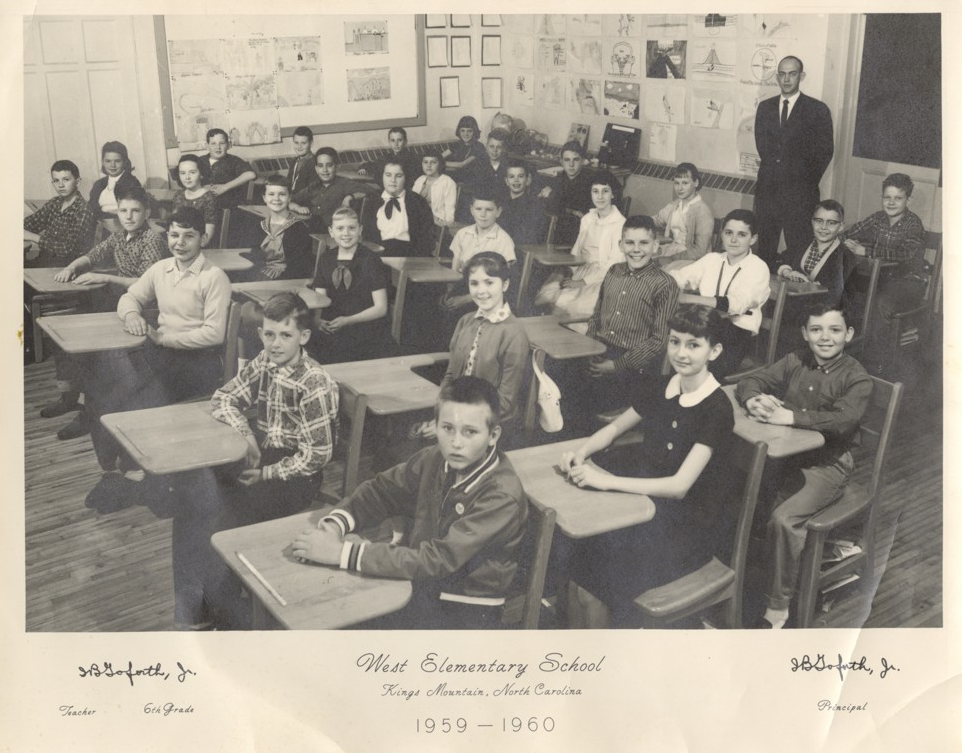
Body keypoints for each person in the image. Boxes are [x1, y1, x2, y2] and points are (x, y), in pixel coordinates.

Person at [291, 375, 529, 630]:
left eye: (470, 432)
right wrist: (335, 525)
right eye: (447, 428)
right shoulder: (436, 457)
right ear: (435, 425)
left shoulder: (502, 496)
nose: (456, 443)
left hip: (465, 606)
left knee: (345, 627)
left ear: (493, 436)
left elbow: (438, 559)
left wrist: (340, 552)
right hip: (420, 582)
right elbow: (382, 490)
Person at [561, 304, 736, 627]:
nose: (681, 353)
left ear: (715, 351)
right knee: (577, 568)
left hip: (684, 528)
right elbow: (615, 428)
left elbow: (679, 487)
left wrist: (605, 481)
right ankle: (582, 663)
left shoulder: (717, 408)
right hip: (643, 507)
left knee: (592, 584)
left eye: (693, 345)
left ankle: (598, 665)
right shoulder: (661, 387)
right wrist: (582, 451)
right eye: (674, 342)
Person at [204, 292, 339, 628]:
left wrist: (265, 474)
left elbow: (317, 456)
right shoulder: (264, 360)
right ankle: (226, 591)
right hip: (263, 450)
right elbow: (224, 398)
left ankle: (229, 609)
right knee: (208, 491)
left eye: (285, 335)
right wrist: (246, 434)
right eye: (268, 334)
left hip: (297, 473)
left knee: (233, 516)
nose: (275, 344)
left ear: (304, 336)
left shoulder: (315, 383)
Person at [735, 301, 872, 629]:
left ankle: (778, 608)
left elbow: (844, 420)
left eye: (835, 330)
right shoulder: (795, 359)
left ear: (848, 334)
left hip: (829, 466)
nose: (825, 338)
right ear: (805, 334)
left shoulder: (857, 378)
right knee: (737, 493)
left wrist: (790, 416)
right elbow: (752, 380)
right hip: (787, 458)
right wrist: (753, 398)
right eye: (816, 330)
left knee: (783, 521)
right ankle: (743, 581)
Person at [85, 206, 231, 472]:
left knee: (135, 395)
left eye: (189, 236)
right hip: (163, 353)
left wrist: (164, 339)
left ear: (203, 239)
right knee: (98, 391)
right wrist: (131, 316)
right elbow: (130, 297)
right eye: (175, 235)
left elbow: (214, 333)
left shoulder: (214, 277)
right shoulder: (161, 268)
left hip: (199, 361)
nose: (180, 243)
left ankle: (137, 470)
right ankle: (110, 469)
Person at [43, 184, 169, 439]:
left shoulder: (153, 239)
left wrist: (107, 279)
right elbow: (92, 255)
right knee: (65, 337)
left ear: (146, 214)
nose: (129, 216)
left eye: (135, 211)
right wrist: (72, 267)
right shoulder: (119, 236)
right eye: (124, 210)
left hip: (145, 309)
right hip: (121, 303)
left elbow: (147, 284)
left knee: (95, 353)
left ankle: (91, 414)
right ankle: (69, 396)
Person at [561, 215, 679, 432]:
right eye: (630, 243)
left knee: (593, 405)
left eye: (644, 243)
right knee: (561, 386)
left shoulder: (665, 284)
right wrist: (590, 349)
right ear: (621, 245)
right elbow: (597, 316)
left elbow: (659, 340)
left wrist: (616, 365)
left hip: (634, 364)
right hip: (600, 350)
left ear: (655, 246)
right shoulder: (614, 271)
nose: (636, 249)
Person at [439, 252, 530, 448]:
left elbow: (505, 403)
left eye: (489, 283)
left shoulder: (514, 333)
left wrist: (458, 425)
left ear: (505, 285)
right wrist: (442, 416)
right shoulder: (465, 321)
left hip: (494, 429)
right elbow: (450, 376)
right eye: (474, 283)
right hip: (459, 419)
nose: (481, 291)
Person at [670, 209, 772, 378]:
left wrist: (689, 298)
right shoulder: (712, 259)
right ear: (722, 234)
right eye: (728, 232)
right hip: (705, 325)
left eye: (741, 235)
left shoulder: (758, 267)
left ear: (753, 238)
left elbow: (737, 303)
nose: (733, 240)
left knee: (696, 368)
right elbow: (679, 277)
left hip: (735, 334)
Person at [753, 56, 835, 266]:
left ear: (801, 76)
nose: (787, 79)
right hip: (768, 192)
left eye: (792, 74)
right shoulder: (765, 108)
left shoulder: (817, 110)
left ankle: (794, 299)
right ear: (777, 77)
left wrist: (801, 182)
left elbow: (824, 153)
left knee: (800, 250)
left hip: (800, 195)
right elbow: (763, 148)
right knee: (765, 250)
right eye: (782, 74)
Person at [534, 170, 625, 328]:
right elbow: (577, 250)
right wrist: (568, 270)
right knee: (547, 294)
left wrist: (583, 282)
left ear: (613, 194)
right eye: (595, 191)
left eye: (605, 191)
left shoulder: (620, 224)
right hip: (581, 268)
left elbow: (614, 264)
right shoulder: (588, 219)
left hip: (603, 277)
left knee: (575, 306)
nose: (600, 197)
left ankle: (567, 343)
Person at [308, 207, 395, 363]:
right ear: (331, 231)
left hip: (362, 326)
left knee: (343, 350)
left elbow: (381, 308)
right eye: (340, 228)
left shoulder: (370, 260)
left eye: (351, 228)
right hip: (332, 323)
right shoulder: (326, 258)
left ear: (360, 230)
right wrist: (318, 320)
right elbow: (319, 298)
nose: (346, 233)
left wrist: (348, 320)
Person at [776, 200, 851, 351]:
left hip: (824, 313)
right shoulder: (803, 244)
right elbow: (781, 259)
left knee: (789, 330)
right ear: (812, 222)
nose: (823, 227)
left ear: (841, 226)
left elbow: (836, 296)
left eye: (831, 223)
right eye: (819, 221)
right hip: (793, 307)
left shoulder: (845, 256)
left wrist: (810, 286)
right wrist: (787, 271)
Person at [441, 188, 517, 319]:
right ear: (471, 210)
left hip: (486, 293)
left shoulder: (503, 241)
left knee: (458, 316)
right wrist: (449, 292)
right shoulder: (463, 234)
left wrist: (464, 299)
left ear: (498, 212)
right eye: (478, 209)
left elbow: (500, 285)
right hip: (462, 284)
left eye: (488, 210)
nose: (482, 214)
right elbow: (455, 267)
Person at [23, 159, 97, 268]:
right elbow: (30, 223)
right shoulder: (55, 203)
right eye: (56, 181)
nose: (61, 185)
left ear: (77, 182)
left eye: (66, 180)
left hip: (68, 267)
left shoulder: (83, 210)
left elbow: (67, 250)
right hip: (45, 260)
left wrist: (32, 237)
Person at [242, 174, 313, 280]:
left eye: (282, 194)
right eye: (271, 194)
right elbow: (255, 257)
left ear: (289, 198)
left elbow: (299, 269)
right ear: (264, 198)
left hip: (286, 279)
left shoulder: (299, 229)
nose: (276, 199)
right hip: (260, 275)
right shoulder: (260, 226)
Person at [360, 159, 435, 256]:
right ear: (381, 176)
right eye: (388, 175)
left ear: (406, 177)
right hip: (379, 255)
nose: (393, 180)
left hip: (410, 256)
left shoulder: (418, 202)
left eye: (398, 176)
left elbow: (427, 238)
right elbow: (366, 236)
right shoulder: (372, 200)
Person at [289, 146, 373, 233]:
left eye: (329, 165)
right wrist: (297, 207)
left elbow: (371, 191)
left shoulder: (343, 184)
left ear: (336, 167)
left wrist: (349, 197)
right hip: (312, 231)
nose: (325, 170)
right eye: (320, 166)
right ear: (316, 169)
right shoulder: (313, 186)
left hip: (332, 234)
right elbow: (289, 200)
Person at [199, 128, 257, 246]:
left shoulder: (233, 161)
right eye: (213, 143)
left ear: (228, 145)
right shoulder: (199, 161)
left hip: (224, 206)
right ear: (207, 145)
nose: (218, 147)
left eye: (222, 143)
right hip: (201, 205)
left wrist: (225, 187)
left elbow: (251, 174)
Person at [652, 162, 715, 267]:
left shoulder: (703, 211)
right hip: (672, 249)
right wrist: (638, 221)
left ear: (696, 183)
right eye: (677, 183)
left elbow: (699, 251)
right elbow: (657, 220)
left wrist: (670, 259)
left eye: (685, 183)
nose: (679, 188)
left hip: (691, 258)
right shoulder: (675, 205)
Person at [538, 140, 594, 245]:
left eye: (576, 160)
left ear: (582, 161)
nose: (571, 164)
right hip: (558, 228)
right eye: (567, 160)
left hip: (578, 233)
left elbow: (574, 205)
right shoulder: (559, 178)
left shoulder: (589, 181)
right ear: (561, 162)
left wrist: (551, 196)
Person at [499, 158, 548, 246]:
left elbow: (528, 238)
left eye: (520, 176)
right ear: (506, 181)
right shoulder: (502, 202)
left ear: (528, 180)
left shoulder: (533, 206)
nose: (516, 180)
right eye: (511, 176)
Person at [88, 140, 141, 221]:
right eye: (108, 161)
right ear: (103, 162)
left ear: (124, 162)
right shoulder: (99, 184)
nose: (112, 165)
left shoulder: (131, 182)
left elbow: (132, 210)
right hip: (101, 225)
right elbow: (91, 209)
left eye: (117, 161)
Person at [171, 154, 218, 244]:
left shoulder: (208, 198)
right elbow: (174, 226)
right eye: (183, 173)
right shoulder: (178, 195)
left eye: (192, 172)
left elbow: (207, 237)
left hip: (199, 245)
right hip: (180, 243)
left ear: (201, 174)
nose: (187, 177)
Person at [357, 126, 422, 183]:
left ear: (405, 142)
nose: (396, 144)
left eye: (399, 140)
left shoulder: (413, 159)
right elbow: (373, 165)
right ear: (389, 142)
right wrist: (363, 168)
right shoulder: (386, 158)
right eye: (393, 140)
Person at [411, 152, 457, 226]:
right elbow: (411, 202)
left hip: (436, 221)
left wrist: (447, 225)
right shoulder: (420, 180)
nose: (428, 165)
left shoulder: (448, 182)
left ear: (439, 164)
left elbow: (450, 209)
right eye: (425, 162)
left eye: (433, 162)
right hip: (417, 217)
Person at [287, 125, 320, 197]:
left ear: (311, 144)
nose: (299, 147)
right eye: (296, 143)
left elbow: (311, 191)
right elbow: (288, 183)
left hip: (304, 203)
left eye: (303, 143)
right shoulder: (295, 161)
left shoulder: (315, 163)